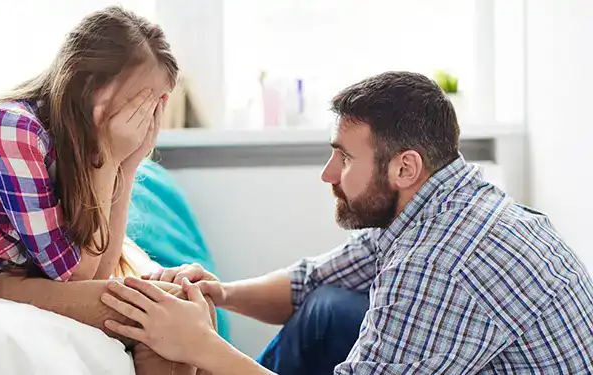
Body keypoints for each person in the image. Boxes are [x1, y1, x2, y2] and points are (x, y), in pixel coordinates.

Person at [101, 71, 593, 374]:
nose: (328, 173)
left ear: (405, 167)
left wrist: (201, 348)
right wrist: (221, 293)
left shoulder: (435, 265)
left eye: (343, 158)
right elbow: (312, 280)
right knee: (327, 307)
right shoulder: (444, 204)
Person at [0, 6, 215, 375]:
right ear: (90, 85)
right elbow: (75, 274)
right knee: (168, 314)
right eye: (138, 101)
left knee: (191, 304)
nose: (142, 120)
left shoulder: (67, 142)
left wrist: (129, 163)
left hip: (9, 279)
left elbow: (100, 270)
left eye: (153, 105)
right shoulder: (13, 129)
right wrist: (108, 158)